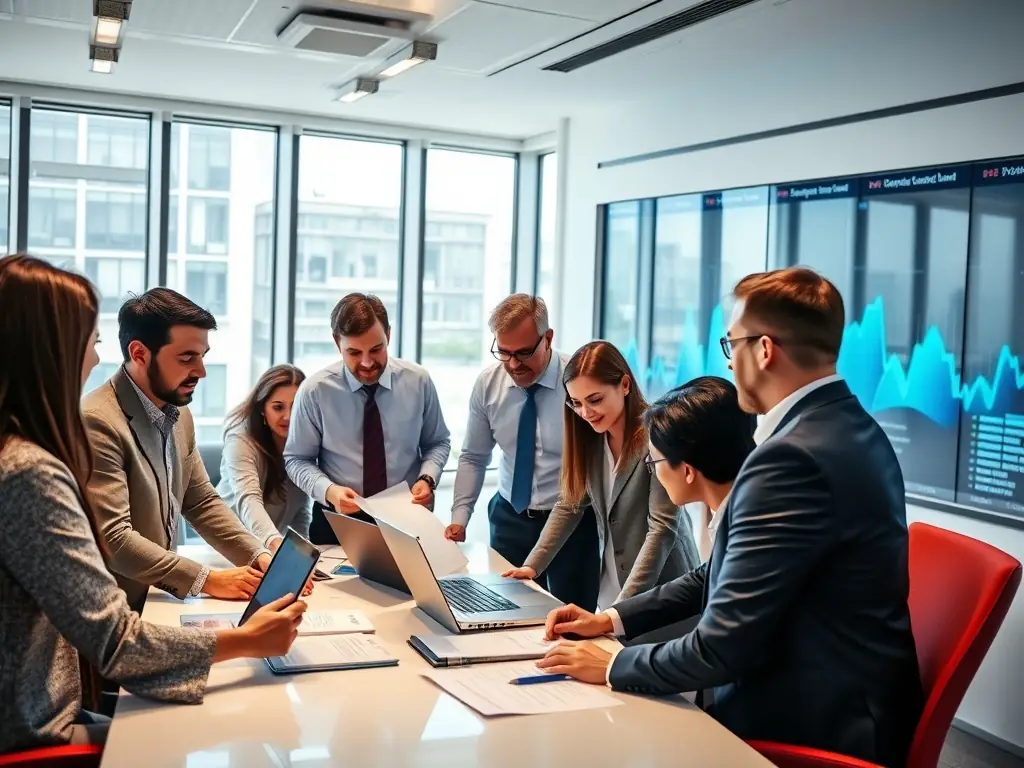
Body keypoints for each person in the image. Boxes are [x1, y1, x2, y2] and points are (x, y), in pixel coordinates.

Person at [535, 267, 924, 767]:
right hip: (845, 692)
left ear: (763, 350)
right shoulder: (846, 426)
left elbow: (719, 650)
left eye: (731, 343)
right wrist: (610, 620)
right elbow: (715, 572)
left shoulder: (791, 459)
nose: (729, 359)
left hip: (814, 717)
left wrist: (612, 663)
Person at [0, 255, 306, 752]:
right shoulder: (33, 467)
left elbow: (199, 497)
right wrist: (248, 639)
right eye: (89, 341)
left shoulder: (24, 451)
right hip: (36, 730)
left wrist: (257, 555)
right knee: (229, 729)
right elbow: (116, 637)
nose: (95, 358)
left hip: (47, 704)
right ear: (49, 351)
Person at [83, 288, 274, 611]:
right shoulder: (97, 420)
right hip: (111, 612)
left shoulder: (179, 413)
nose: (201, 371)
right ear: (140, 353)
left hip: (155, 602)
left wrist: (257, 555)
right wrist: (207, 580)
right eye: (187, 358)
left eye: (202, 356)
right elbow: (114, 539)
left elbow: (199, 501)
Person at [503, 341, 700, 612]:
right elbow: (569, 504)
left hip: (661, 594)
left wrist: (620, 611)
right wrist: (532, 566)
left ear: (625, 385)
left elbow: (662, 529)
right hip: (612, 590)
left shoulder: (656, 437)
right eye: (576, 403)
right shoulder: (591, 439)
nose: (585, 413)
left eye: (595, 400)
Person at [446, 295, 599, 607]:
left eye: (524, 353)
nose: (514, 364)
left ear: (548, 338)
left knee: (571, 618)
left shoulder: (578, 382)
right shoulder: (489, 384)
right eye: (504, 352)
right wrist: (460, 517)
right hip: (510, 517)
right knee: (506, 611)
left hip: (573, 521)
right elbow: (474, 456)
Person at [285, 293, 451, 545]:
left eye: (376, 349)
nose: (367, 363)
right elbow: (297, 459)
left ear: (389, 336)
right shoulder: (315, 391)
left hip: (407, 518)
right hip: (338, 521)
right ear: (337, 342)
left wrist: (427, 478)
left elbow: (438, 442)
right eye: (354, 352)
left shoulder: (418, 381)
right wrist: (329, 491)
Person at [218, 365, 311, 551]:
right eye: (278, 407)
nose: (288, 416)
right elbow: (249, 498)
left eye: (296, 406)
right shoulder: (240, 439)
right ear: (262, 408)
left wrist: (304, 551)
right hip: (228, 545)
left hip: (269, 548)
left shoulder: (306, 438)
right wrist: (274, 542)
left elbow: (300, 506)